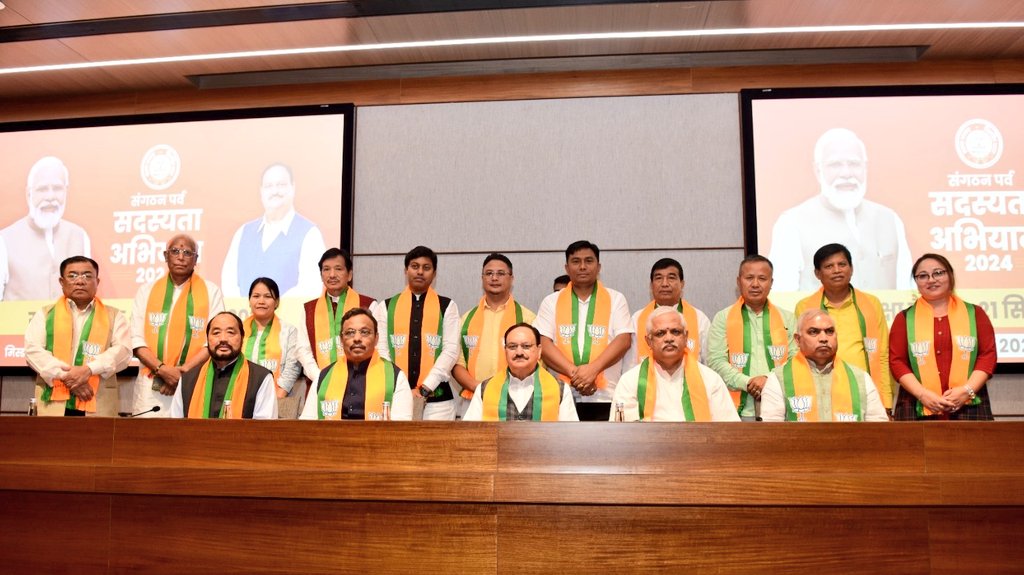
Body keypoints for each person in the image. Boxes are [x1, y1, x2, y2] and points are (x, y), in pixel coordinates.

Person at [768, 128, 913, 291]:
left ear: (865, 168)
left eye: (854, 164)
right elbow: (782, 296)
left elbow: (907, 288)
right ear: (818, 170)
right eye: (835, 165)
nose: (846, 173)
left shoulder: (890, 219)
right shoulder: (791, 223)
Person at [888, 253, 997, 420]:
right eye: (923, 276)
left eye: (938, 273)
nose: (931, 280)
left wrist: (966, 391)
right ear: (916, 283)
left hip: (969, 405)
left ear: (951, 276)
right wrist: (923, 394)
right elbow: (897, 362)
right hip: (916, 404)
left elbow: (987, 355)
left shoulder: (975, 314)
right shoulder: (904, 319)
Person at [24, 256, 131, 416]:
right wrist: (69, 377)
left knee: (97, 441)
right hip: (54, 403)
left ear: (97, 281)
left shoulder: (115, 316)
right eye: (73, 276)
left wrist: (88, 370)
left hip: (97, 401)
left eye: (87, 276)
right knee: (53, 441)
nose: (80, 281)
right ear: (61, 282)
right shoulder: (45, 314)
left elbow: (123, 352)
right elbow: (32, 351)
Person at [131, 234, 225, 417]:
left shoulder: (211, 291)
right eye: (175, 251)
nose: (181, 257)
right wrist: (163, 370)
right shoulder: (146, 290)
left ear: (196, 259)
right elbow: (136, 340)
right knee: (146, 442)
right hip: (151, 386)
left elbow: (213, 340)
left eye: (187, 252)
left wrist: (182, 373)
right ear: (166, 256)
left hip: (192, 382)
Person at [794, 243, 894, 412]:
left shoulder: (871, 304)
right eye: (829, 266)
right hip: (820, 392)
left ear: (852, 268)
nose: (837, 270)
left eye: (842, 264)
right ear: (817, 273)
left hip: (864, 391)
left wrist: (885, 402)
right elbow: (799, 354)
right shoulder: (805, 307)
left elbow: (882, 354)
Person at [533, 240, 632, 406]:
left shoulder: (616, 299)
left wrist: (593, 370)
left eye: (589, 261)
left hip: (606, 396)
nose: (583, 267)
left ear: (599, 267)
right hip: (562, 396)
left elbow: (623, 340)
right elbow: (543, 343)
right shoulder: (551, 302)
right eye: (576, 261)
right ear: (566, 268)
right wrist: (578, 375)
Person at [373, 246, 460, 420]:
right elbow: (381, 351)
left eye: (426, 268)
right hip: (395, 396)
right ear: (406, 270)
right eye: (414, 266)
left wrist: (425, 387)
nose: (420, 272)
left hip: (438, 400)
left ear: (434, 273)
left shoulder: (447, 306)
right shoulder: (386, 307)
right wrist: (403, 386)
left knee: (436, 447)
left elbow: (451, 351)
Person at [707, 255, 797, 421]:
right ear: (739, 281)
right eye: (749, 278)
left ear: (771, 283)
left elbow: (796, 359)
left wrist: (768, 381)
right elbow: (715, 361)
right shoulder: (723, 318)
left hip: (781, 410)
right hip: (736, 411)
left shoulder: (788, 318)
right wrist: (747, 382)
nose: (755, 284)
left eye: (762, 278)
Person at [220, 163, 327, 299]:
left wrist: (270, 310)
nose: (275, 191)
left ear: (293, 187)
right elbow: (229, 282)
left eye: (281, 185)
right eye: (269, 186)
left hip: (290, 319)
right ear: (261, 191)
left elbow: (310, 287)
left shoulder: (310, 233)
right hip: (244, 317)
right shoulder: (243, 232)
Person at [612, 307, 738, 422]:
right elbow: (622, 434)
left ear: (686, 337)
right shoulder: (630, 381)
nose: (669, 338)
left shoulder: (710, 380)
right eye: (660, 333)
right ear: (648, 341)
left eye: (675, 332)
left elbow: (729, 431)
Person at [761, 309, 888, 422]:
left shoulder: (860, 378)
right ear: (797, 340)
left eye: (829, 331)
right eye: (813, 332)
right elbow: (771, 432)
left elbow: (878, 430)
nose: (823, 338)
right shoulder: (778, 379)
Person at [451, 253, 536, 414]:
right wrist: (478, 388)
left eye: (500, 273)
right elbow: (457, 363)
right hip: (474, 399)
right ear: (482, 278)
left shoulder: (528, 318)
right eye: (489, 273)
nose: (494, 278)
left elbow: (537, 361)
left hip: (516, 400)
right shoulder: (466, 319)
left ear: (512, 279)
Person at [0, 156, 91, 301]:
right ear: (29, 194)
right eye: (42, 189)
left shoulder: (79, 236)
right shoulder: (4, 240)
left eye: (57, 188)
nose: (50, 196)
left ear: (65, 192)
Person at [301, 308, 412, 420]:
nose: (357, 338)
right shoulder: (324, 377)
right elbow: (305, 426)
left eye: (364, 332)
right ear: (341, 339)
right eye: (350, 333)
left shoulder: (395, 377)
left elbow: (403, 430)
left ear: (376, 338)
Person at [295, 248, 376, 392]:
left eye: (338, 269)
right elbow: (303, 349)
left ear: (349, 274)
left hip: (362, 384)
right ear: (321, 275)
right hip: (319, 385)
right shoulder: (308, 309)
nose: (332, 274)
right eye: (326, 269)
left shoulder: (369, 305)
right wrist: (320, 377)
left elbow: (376, 346)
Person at [171, 312, 278, 419]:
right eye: (216, 333)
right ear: (207, 339)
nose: (223, 339)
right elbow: (175, 427)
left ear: (242, 337)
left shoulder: (260, 378)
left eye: (230, 332)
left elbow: (265, 429)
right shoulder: (187, 380)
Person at [463, 323, 578, 421]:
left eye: (526, 346)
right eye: (512, 346)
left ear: (539, 351)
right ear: (505, 351)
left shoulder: (560, 389)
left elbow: (570, 437)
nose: (519, 352)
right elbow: (470, 434)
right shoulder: (485, 388)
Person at [624, 258, 710, 370]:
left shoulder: (700, 319)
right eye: (659, 278)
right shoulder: (637, 319)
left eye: (671, 278)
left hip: (690, 385)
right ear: (651, 285)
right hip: (647, 385)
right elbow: (629, 366)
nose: (665, 284)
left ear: (682, 284)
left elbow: (709, 364)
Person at [244, 277, 300, 401]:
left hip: (277, 400)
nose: (261, 301)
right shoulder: (238, 330)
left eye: (268, 296)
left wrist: (277, 398)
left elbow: (292, 368)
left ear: (277, 302)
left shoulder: (289, 331)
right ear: (249, 300)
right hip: (241, 399)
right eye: (256, 296)